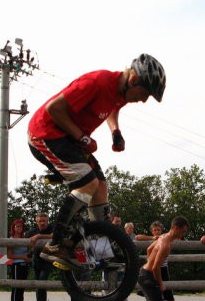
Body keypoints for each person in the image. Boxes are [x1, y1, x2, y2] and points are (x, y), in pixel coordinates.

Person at [28, 54, 166, 269]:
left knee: (100, 187)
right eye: (146, 93)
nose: (144, 99)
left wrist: (115, 132)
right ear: (133, 80)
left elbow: (112, 108)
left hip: (70, 140)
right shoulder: (97, 82)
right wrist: (82, 137)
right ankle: (54, 246)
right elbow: (53, 109)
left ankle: (102, 252)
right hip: (45, 134)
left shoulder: (120, 92)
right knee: (87, 183)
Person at [138, 216, 189, 301]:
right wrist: (160, 283)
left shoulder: (163, 237)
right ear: (176, 228)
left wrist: (148, 263)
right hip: (148, 275)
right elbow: (155, 268)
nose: (183, 235)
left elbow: (149, 250)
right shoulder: (166, 244)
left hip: (145, 273)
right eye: (182, 232)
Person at [136, 221, 180, 301]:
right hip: (154, 269)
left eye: (158, 230)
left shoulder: (163, 238)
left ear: (161, 230)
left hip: (163, 269)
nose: (157, 232)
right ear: (152, 231)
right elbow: (138, 238)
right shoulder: (159, 239)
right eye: (155, 230)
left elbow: (148, 250)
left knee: (168, 294)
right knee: (153, 295)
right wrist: (150, 261)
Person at [24, 213, 54, 301]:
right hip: (36, 260)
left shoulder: (51, 228)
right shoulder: (32, 231)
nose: (42, 223)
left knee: (42, 281)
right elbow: (25, 237)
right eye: (40, 221)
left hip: (48, 260)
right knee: (38, 285)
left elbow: (54, 236)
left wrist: (39, 236)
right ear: (36, 221)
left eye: (44, 221)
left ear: (47, 221)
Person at [7, 219, 31, 301]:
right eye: (17, 226)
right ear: (13, 228)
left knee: (22, 289)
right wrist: (22, 257)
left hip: (25, 265)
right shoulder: (11, 240)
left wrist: (28, 257)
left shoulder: (26, 239)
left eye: (20, 226)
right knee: (16, 288)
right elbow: (9, 255)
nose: (19, 228)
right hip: (17, 265)